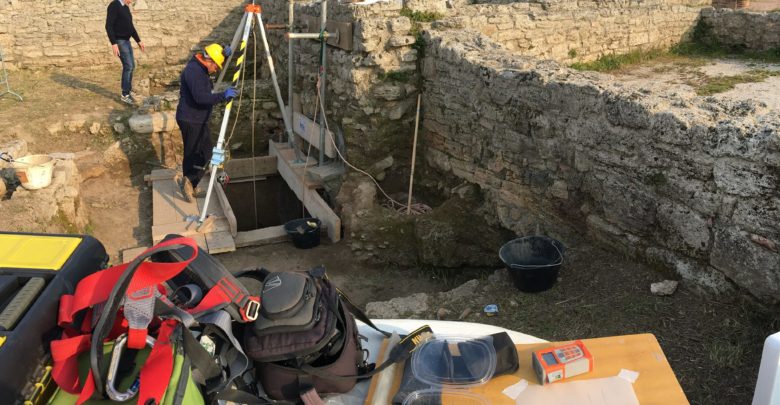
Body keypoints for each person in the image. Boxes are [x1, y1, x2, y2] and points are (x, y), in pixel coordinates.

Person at [176, 43, 238, 202]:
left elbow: (214, 56)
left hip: (198, 119)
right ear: (208, 61)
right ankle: (187, 183)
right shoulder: (194, 72)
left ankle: (192, 183)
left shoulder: (199, 65)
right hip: (190, 119)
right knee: (192, 153)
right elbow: (201, 98)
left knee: (207, 153)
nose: (216, 69)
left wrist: (224, 53)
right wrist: (223, 96)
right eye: (216, 66)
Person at [105, 0, 145, 105]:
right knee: (129, 66)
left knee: (131, 66)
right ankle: (125, 94)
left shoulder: (126, 7)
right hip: (120, 41)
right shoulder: (114, 5)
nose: (132, 1)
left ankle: (127, 91)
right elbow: (108, 25)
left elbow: (130, 27)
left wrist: (138, 40)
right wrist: (114, 43)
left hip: (126, 41)